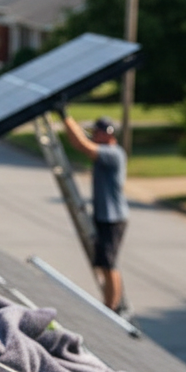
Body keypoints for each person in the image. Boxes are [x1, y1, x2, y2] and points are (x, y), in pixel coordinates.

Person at [61, 111, 129, 312]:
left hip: (113, 218)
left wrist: (64, 116)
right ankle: (110, 302)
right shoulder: (105, 150)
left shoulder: (113, 153)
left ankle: (112, 307)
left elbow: (83, 145)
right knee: (102, 263)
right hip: (103, 216)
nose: (94, 136)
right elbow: (78, 142)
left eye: (97, 132)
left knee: (109, 264)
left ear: (108, 134)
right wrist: (68, 120)